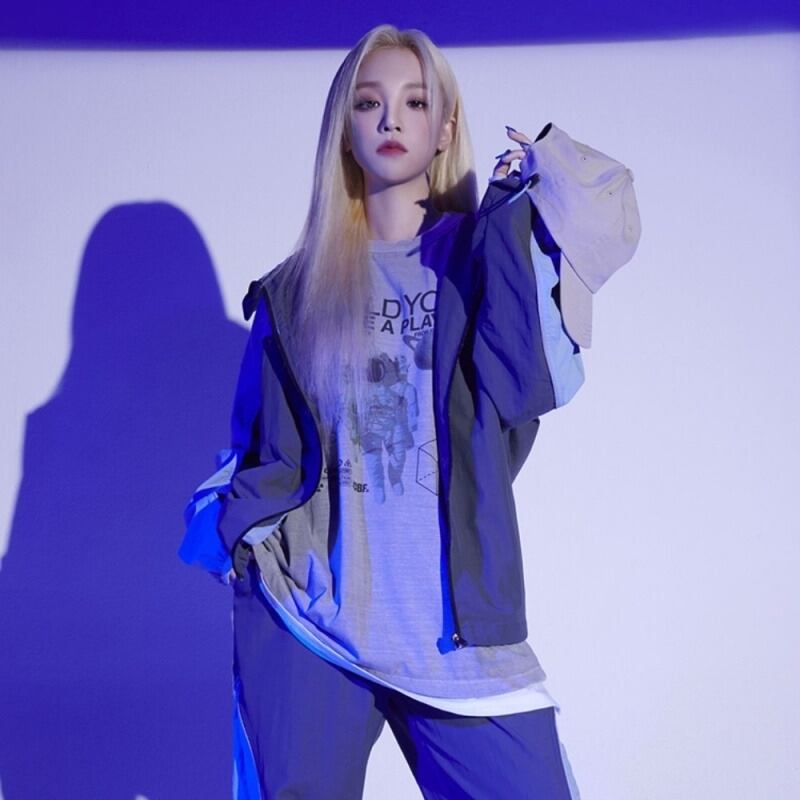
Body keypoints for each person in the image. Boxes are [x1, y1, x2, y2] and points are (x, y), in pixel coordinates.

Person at [180, 23, 640, 800]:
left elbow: (537, 379)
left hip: (457, 636)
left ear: (445, 129)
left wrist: (538, 177)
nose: (391, 118)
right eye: (369, 102)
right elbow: (258, 447)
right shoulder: (294, 291)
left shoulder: (485, 255)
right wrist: (242, 539)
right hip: (311, 627)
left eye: (416, 102)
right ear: (345, 130)